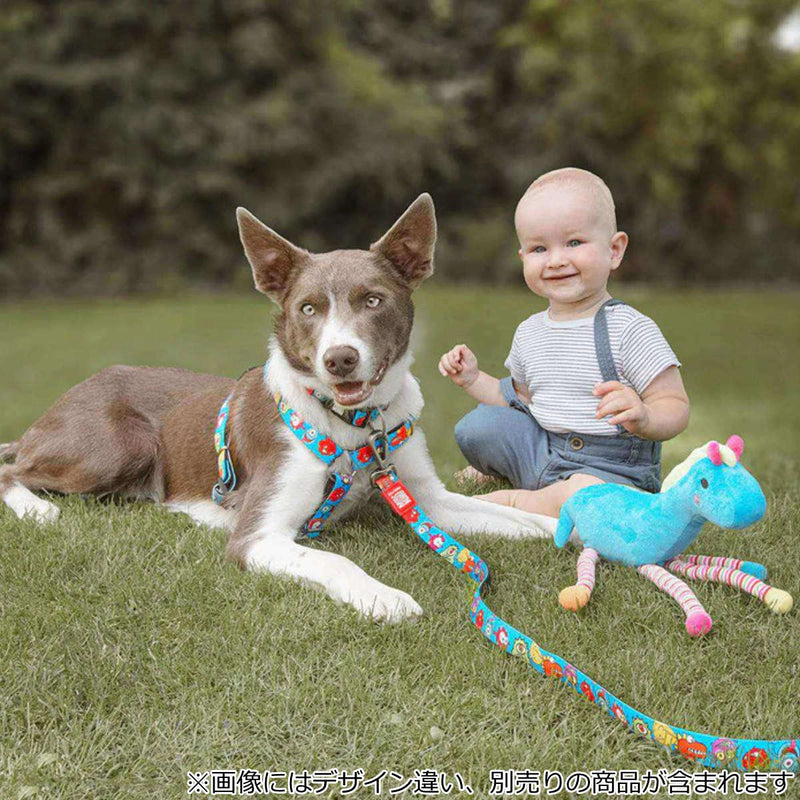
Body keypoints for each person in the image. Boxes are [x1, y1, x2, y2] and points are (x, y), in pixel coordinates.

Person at [439, 167, 690, 519]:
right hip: (546, 449)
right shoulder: (530, 332)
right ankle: (531, 483)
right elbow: (519, 402)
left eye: (574, 243)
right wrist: (472, 379)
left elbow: (675, 404)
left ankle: (516, 501)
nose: (556, 260)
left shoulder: (629, 329)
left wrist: (646, 417)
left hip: (610, 468)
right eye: (539, 248)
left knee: (586, 493)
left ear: (614, 250)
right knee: (478, 427)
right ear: (523, 258)